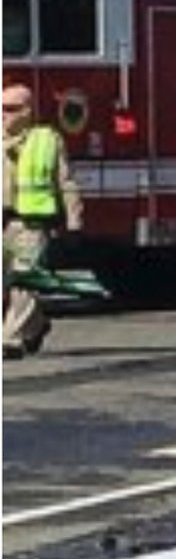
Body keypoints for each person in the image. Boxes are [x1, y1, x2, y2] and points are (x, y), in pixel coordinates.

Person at [4, 79, 78, 360]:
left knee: (25, 282)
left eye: (11, 108)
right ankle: (36, 325)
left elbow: (66, 183)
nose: (3, 113)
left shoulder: (47, 140)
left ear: (28, 110)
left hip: (31, 224)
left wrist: (74, 224)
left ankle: (10, 340)